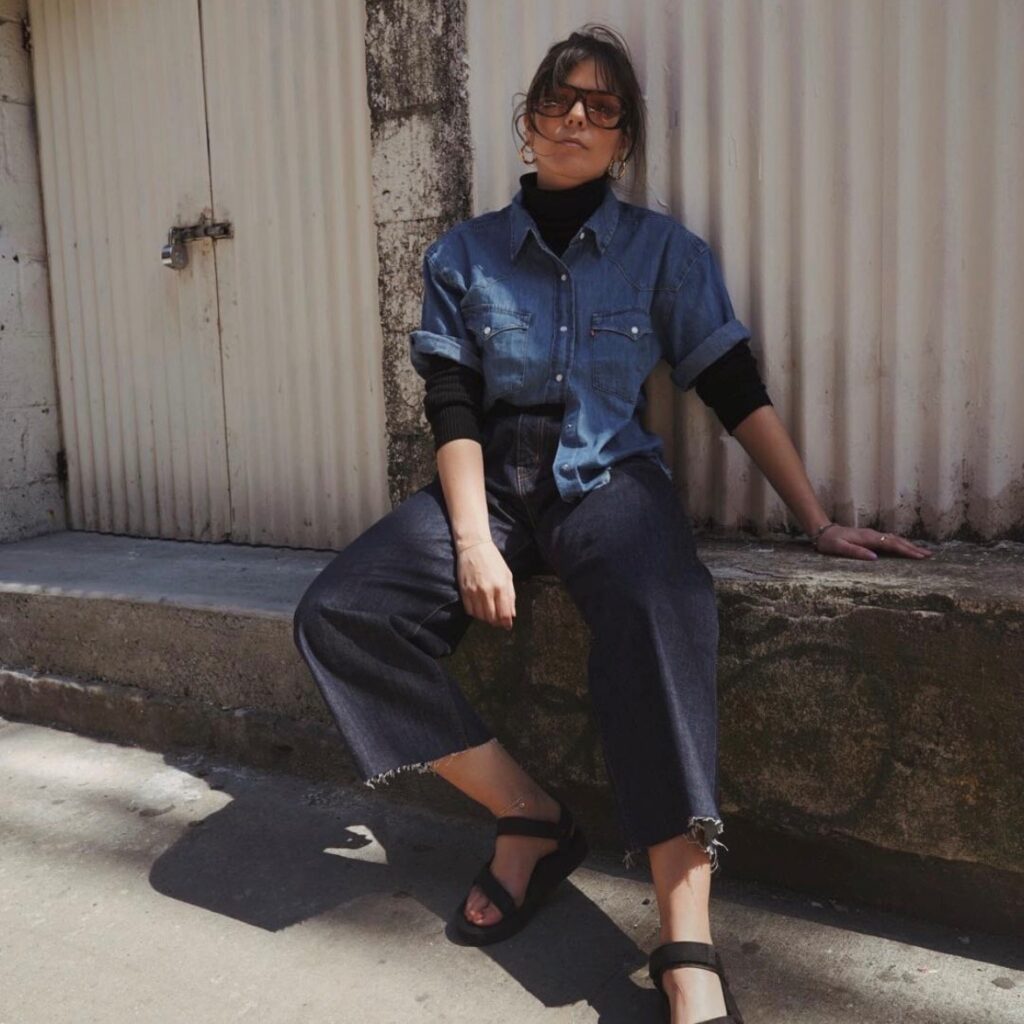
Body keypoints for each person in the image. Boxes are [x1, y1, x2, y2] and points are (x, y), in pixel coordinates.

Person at [293, 24, 933, 1024]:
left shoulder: (662, 251)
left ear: (623, 136)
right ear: (528, 123)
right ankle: (530, 818)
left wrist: (814, 519)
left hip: (609, 480)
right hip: (493, 487)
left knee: (661, 599)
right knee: (340, 611)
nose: (575, 121)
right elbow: (451, 409)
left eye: (600, 107)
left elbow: (729, 384)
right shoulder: (462, 256)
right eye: (557, 102)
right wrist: (469, 538)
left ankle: (685, 935)